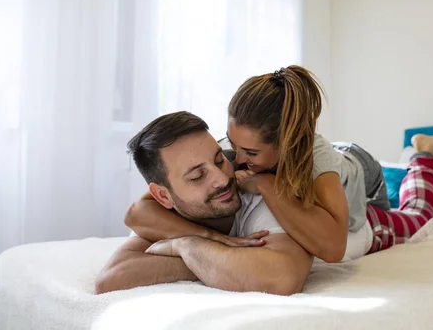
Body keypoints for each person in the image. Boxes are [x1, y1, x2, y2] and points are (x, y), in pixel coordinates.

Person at [125, 66, 433, 263]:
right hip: (324, 159)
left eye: (250, 153)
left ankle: (423, 154)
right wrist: (208, 239)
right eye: (231, 143)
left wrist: (266, 185)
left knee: (417, 217)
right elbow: (137, 213)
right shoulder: (232, 151)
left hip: (363, 176)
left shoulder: (315, 161)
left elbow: (334, 247)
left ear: (287, 146)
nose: (234, 160)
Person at [95, 112, 312, 295]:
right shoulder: (161, 216)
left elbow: (283, 276)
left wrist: (188, 248)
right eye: (198, 176)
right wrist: (189, 249)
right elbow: (111, 279)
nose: (222, 178)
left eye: (219, 161)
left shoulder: (256, 190)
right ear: (163, 196)